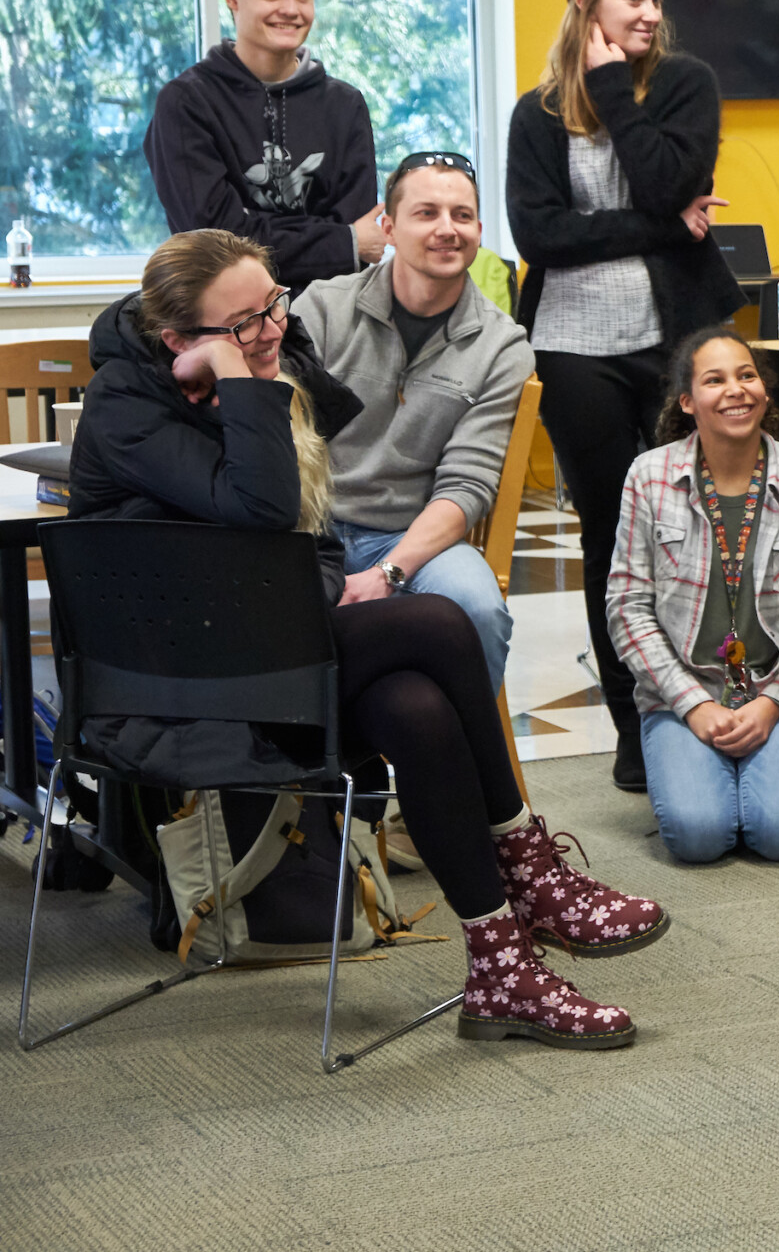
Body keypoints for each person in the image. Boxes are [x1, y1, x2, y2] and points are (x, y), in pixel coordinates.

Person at [67, 229, 670, 1050]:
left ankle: (501, 962)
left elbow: (304, 541)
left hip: (267, 653)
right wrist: (248, 381)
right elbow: (267, 510)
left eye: (272, 304)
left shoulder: (263, 352)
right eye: (240, 325)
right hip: (181, 688)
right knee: (435, 621)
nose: (270, 330)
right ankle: (529, 874)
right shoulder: (127, 408)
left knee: (415, 705)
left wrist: (245, 364)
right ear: (178, 341)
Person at [506, 0, 745, 793]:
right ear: (585, 8)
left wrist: (614, 91)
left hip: (674, 346)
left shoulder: (684, 84)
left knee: (703, 528)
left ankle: (715, 700)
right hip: (573, 351)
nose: (649, 14)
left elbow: (658, 176)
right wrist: (658, 222)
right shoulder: (535, 114)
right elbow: (540, 236)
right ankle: (634, 725)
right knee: (613, 538)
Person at [295, 151, 535, 696]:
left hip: (413, 538)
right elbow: (278, 441)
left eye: (463, 215)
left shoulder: (503, 347)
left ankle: (467, 774)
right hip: (311, 529)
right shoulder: (322, 309)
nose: (447, 229)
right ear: (389, 228)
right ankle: (299, 769)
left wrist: (389, 573)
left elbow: (467, 486)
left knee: (479, 609)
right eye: (426, 213)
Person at [608, 327, 779, 863]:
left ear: (765, 390)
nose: (736, 390)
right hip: (683, 692)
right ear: (689, 402)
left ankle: (756, 768)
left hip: (777, 694)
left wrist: (771, 704)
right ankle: (698, 769)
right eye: (715, 380)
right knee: (698, 838)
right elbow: (627, 611)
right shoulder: (649, 476)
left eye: (747, 376)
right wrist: (692, 705)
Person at [145, 0, 382, 295]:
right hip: (225, 321)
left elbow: (363, 243)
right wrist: (340, 243)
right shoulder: (185, 103)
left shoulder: (345, 104)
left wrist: (252, 225)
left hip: (330, 319)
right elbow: (213, 246)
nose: (290, 9)